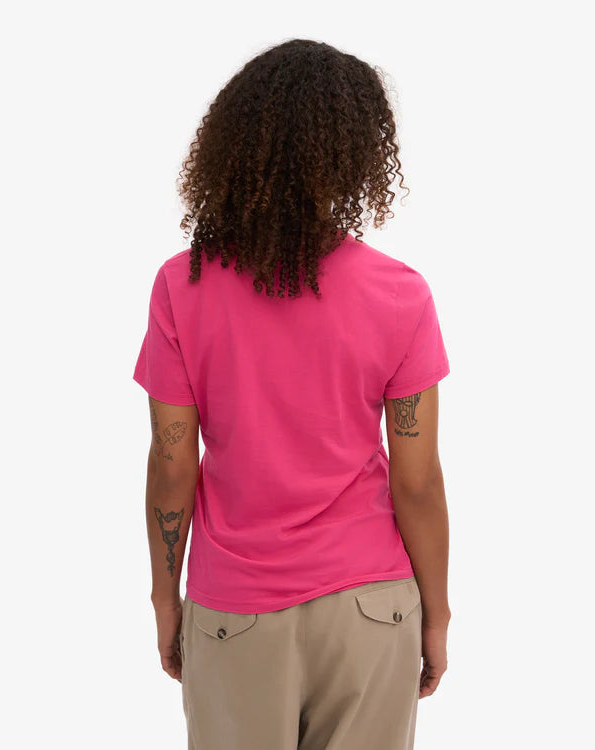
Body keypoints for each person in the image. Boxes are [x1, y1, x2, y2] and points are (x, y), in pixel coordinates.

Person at [133, 38, 451, 750]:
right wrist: (436, 614)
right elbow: (418, 481)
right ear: (355, 154)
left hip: (235, 611)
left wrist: (164, 599)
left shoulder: (182, 286)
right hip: (370, 607)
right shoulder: (400, 294)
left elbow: (172, 463)